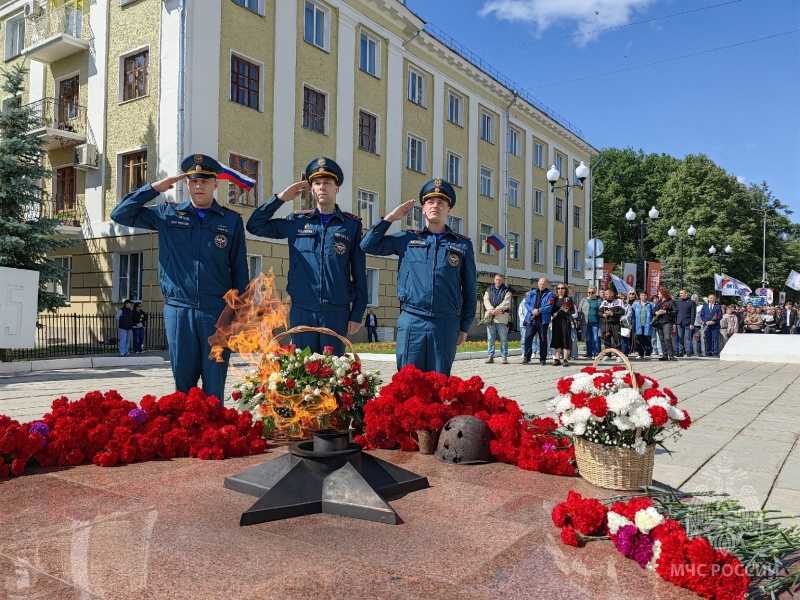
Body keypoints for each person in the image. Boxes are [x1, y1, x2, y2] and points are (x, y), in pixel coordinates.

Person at [110, 154, 250, 404]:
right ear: (187, 184)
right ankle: (188, 438)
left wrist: (239, 314)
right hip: (179, 309)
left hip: (217, 312)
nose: (199, 186)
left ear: (215, 184)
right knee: (183, 385)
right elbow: (120, 214)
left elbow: (239, 269)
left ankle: (214, 438)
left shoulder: (231, 220)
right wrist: (154, 188)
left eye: (205, 181)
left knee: (214, 383)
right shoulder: (167, 213)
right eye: (194, 180)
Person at [247, 157, 367, 355]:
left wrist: (357, 313)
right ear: (311, 189)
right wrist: (279, 199)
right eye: (317, 183)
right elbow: (254, 226)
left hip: (336, 312)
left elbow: (360, 274)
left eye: (327, 183)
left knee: (333, 372)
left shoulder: (351, 226)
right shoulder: (296, 222)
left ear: (336, 189)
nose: (322, 187)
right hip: (302, 310)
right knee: (302, 372)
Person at [360, 178, 476, 376]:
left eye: (441, 203)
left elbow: (470, 288)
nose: (435, 206)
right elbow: (367, 245)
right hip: (412, 319)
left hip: (445, 323)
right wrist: (390, 218)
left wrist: (464, 325)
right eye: (430, 202)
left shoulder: (462, 245)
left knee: (440, 383)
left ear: (448, 210)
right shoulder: (407, 239)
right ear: (423, 209)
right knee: (407, 380)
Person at [522, 278, 555, 365]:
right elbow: (527, 303)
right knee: (528, 337)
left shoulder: (550, 294)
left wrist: (539, 310)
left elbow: (549, 307)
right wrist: (532, 310)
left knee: (543, 339)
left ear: (546, 284)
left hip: (543, 320)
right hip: (531, 319)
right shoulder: (532, 293)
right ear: (538, 283)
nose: (542, 285)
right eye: (540, 284)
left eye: (543, 284)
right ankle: (527, 356)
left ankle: (543, 358)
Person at [484, 273, 512, 364]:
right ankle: (490, 356)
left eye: (500, 280)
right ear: (494, 280)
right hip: (490, 317)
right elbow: (486, 300)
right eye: (497, 279)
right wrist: (492, 310)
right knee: (490, 338)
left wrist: (497, 310)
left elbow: (506, 303)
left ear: (502, 280)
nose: (498, 281)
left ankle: (504, 356)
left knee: (503, 338)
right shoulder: (489, 289)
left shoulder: (506, 290)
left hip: (501, 318)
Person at [550, 283, 574, 366]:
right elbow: (551, 310)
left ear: (565, 289)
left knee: (565, 338)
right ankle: (557, 359)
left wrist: (566, 310)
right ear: (556, 290)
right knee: (557, 338)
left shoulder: (568, 299)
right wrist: (553, 314)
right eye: (559, 288)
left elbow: (573, 311)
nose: (560, 290)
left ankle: (565, 359)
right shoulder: (554, 299)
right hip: (556, 321)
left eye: (562, 288)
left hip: (565, 321)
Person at [653, 287, 678, 361]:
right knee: (661, 339)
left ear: (663, 294)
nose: (658, 294)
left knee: (667, 338)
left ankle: (671, 355)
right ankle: (665, 355)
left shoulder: (671, 301)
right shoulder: (658, 302)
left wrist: (666, 312)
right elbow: (653, 311)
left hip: (667, 322)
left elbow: (675, 311)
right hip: (659, 322)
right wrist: (655, 312)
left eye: (659, 293)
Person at [599, 288, 624, 358]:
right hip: (606, 323)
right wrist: (602, 315)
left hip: (615, 323)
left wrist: (612, 313)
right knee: (606, 339)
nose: (605, 295)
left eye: (606, 294)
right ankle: (607, 354)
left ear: (612, 294)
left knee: (617, 340)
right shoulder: (604, 302)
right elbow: (599, 311)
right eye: (604, 294)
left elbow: (622, 312)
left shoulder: (619, 301)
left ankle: (618, 355)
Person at [579, 286, 601, 359]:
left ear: (595, 292)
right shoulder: (583, 300)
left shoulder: (599, 300)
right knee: (588, 339)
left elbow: (601, 310)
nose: (591, 294)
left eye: (593, 292)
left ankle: (596, 354)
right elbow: (579, 310)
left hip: (596, 322)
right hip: (586, 322)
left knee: (595, 338)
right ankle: (589, 354)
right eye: (589, 292)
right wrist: (578, 320)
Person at [632, 291, 654, 359]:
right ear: (639, 296)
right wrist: (632, 323)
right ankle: (640, 353)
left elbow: (653, 314)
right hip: (638, 324)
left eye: (645, 295)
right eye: (642, 295)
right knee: (639, 339)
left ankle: (648, 353)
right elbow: (632, 314)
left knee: (647, 339)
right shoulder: (635, 304)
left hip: (648, 324)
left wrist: (653, 323)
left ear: (647, 296)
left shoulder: (650, 304)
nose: (643, 296)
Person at [675, 289, 697, 357]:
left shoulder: (691, 302)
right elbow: (676, 313)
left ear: (686, 293)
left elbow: (693, 314)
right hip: (679, 322)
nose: (680, 294)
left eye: (682, 293)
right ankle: (680, 352)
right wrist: (675, 322)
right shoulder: (678, 302)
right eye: (680, 293)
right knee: (680, 337)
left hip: (688, 322)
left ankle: (688, 352)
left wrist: (692, 323)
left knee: (688, 338)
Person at [620, 291, 637, 355]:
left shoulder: (628, 305)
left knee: (625, 338)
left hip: (626, 323)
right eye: (621, 298)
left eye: (624, 298)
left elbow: (629, 314)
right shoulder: (617, 304)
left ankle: (625, 353)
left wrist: (621, 318)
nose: (622, 299)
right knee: (618, 339)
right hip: (617, 322)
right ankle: (618, 353)